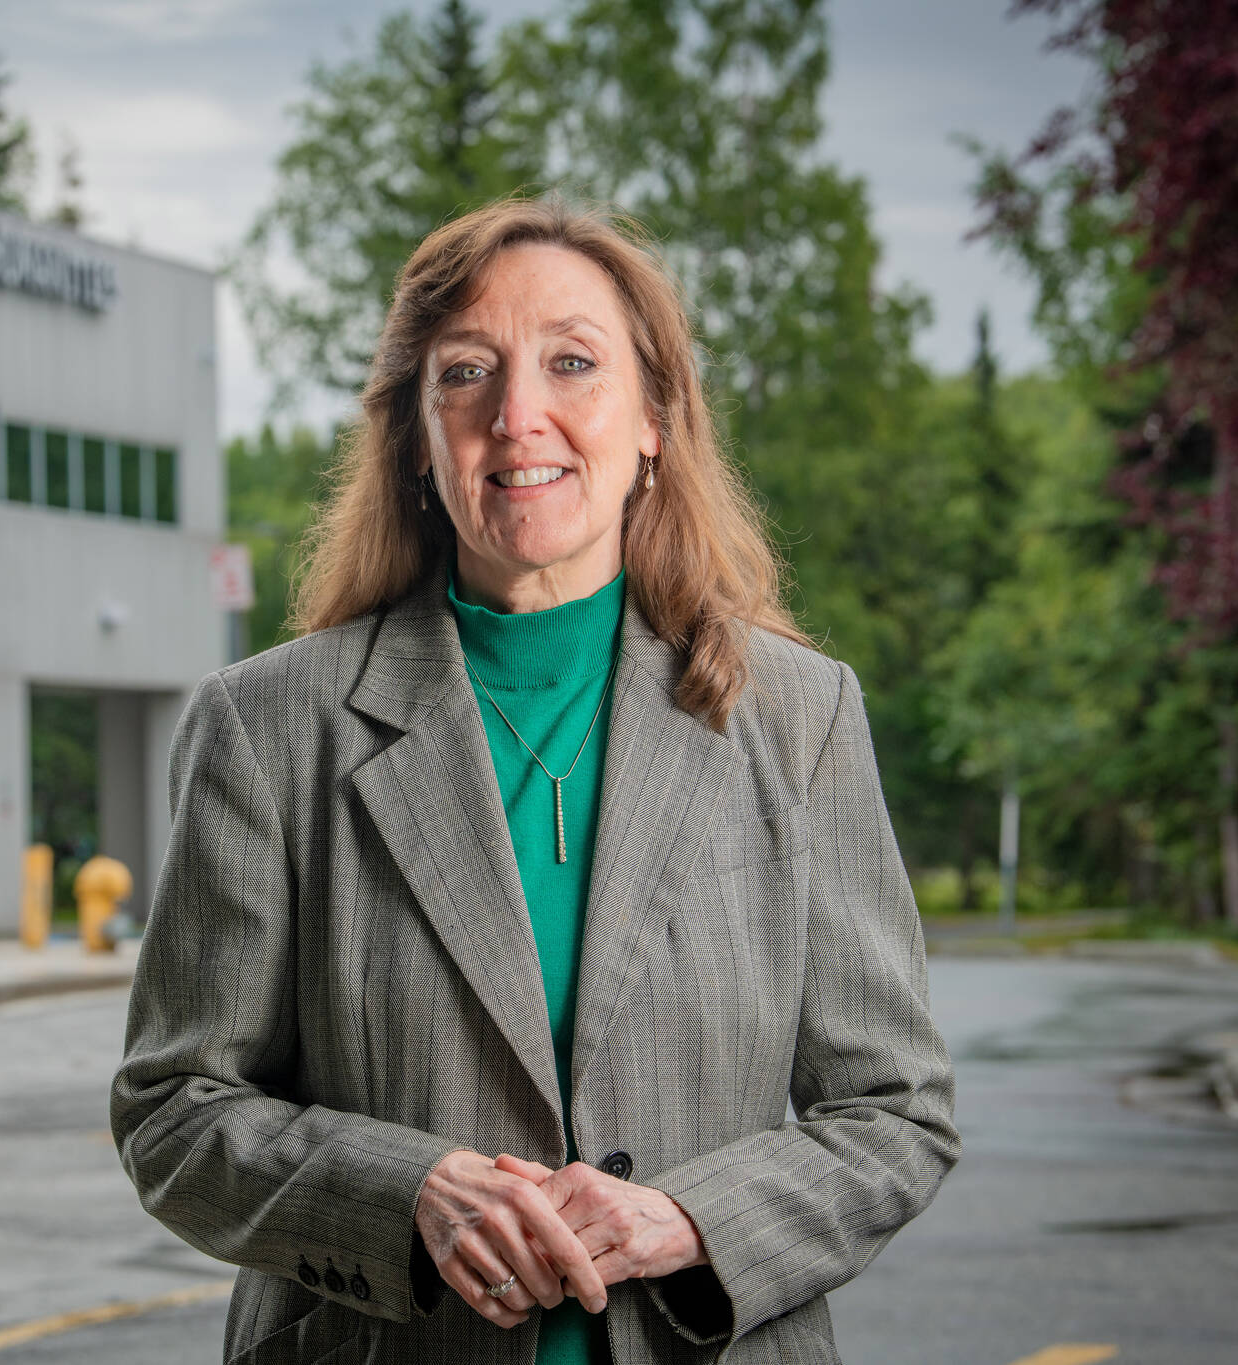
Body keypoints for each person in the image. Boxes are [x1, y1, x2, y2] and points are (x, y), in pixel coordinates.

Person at [110, 195, 959, 1365]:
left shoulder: (798, 718)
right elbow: (172, 1115)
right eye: (466, 373)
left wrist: (687, 1221)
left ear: (653, 418)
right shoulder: (267, 727)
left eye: (572, 363)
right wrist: (407, 1195)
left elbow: (892, 1114)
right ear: (417, 432)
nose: (519, 417)